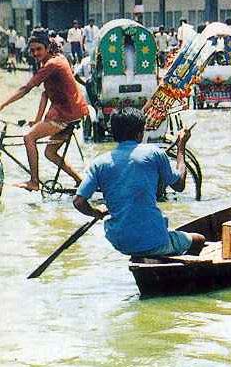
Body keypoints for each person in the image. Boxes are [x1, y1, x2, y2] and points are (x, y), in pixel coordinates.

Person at [73, 108, 205, 258]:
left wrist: (95, 212)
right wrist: (181, 146)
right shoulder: (154, 153)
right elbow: (179, 185)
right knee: (199, 240)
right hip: (153, 239)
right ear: (140, 134)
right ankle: (185, 274)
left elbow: (79, 202)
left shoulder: (98, 163)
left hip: (119, 240)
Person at [0, 28, 88, 191]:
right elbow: (45, 94)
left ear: (48, 47)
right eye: (32, 50)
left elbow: (26, 88)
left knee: (28, 138)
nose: (35, 53)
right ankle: (80, 181)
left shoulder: (52, 64)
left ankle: (34, 182)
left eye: (39, 49)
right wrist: (38, 119)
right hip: (72, 112)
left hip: (65, 114)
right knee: (50, 153)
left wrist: (2, 105)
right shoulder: (57, 58)